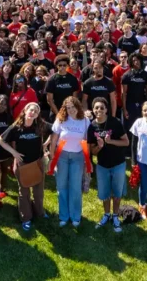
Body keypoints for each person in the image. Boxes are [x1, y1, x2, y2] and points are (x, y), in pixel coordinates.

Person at [0, 102, 52, 231]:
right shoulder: (16, 127)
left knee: (39, 192)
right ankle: (26, 218)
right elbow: (0, 140)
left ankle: (40, 212)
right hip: (22, 165)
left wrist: (47, 145)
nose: (33, 113)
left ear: (38, 115)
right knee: (24, 192)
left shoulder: (40, 125)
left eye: (36, 111)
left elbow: (55, 130)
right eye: (31, 110)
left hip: (37, 163)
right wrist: (14, 153)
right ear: (25, 110)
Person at [88, 97, 129, 232]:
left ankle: (115, 216)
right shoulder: (92, 126)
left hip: (118, 163)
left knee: (117, 193)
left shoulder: (115, 122)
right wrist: (99, 146)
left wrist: (111, 142)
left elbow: (126, 142)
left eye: (102, 108)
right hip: (102, 165)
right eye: (96, 108)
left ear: (106, 110)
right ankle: (106, 215)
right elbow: (92, 151)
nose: (99, 110)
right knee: (105, 193)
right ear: (93, 110)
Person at [49, 96, 90, 227]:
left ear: (77, 106)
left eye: (73, 107)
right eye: (68, 107)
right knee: (61, 186)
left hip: (78, 157)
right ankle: (64, 216)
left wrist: (87, 160)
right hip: (62, 156)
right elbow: (54, 139)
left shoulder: (85, 121)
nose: (71, 110)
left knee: (75, 187)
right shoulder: (60, 120)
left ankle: (75, 216)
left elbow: (86, 141)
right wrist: (51, 156)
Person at [122, 52, 147, 144]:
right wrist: (125, 109)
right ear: (130, 62)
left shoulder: (145, 75)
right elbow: (124, 93)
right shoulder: (126, 75)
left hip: (142, 104)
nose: (136, 62)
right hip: (130, 105)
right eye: (134, 60)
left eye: (138, 60)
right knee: (130, 126)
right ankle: (130, 149)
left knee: (142, 125)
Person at [45, 55, 80, 120]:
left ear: (67, 66)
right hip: (56, 112)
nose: (62, 67)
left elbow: (74, 98)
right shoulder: (51, 80)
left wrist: (71, 111)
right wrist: (58, 113)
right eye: (60, 65)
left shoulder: (73, 79)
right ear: (56, 66)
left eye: (64, 65)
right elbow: (49, 100)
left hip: (70, 112)